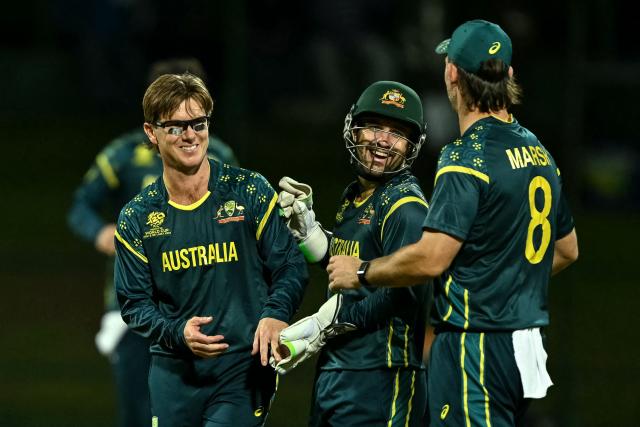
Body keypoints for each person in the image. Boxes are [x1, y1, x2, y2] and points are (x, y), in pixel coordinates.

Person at [327, 19, 579, 426]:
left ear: (452, 74)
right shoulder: (538, 151)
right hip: (528, 345)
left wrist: (362, 271)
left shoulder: (464, 158)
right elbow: (567, 250)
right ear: (509, 75)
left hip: (475, 346)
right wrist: (505, 285)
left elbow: (431, 259)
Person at [112, 72, 308, 427]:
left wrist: (275, 313)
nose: (190, 135)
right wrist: (177, 333)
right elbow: (134, 304)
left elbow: (290, 265)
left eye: (198, 123)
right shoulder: (137, 218)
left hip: (242, 371)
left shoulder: (248, 191)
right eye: (175, 126)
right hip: (173, 376)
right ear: (150, 133)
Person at [67, 58, 238, 427]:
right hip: (137, 304)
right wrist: (102, 233)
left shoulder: (219, 156)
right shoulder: (124, 155)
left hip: (198, 300)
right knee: (138, 407)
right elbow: (81, 206)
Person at [273, 81, 432, 426]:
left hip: (381, 378)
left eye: (397, 133)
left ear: (412, 145)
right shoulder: (358, 196)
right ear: (353, 130)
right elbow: (351, 264)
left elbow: (409, 291)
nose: (383, 141)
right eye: (375, 127)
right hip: (338, 372)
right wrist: (310, 234)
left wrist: (327, 323)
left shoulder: (405, 208)